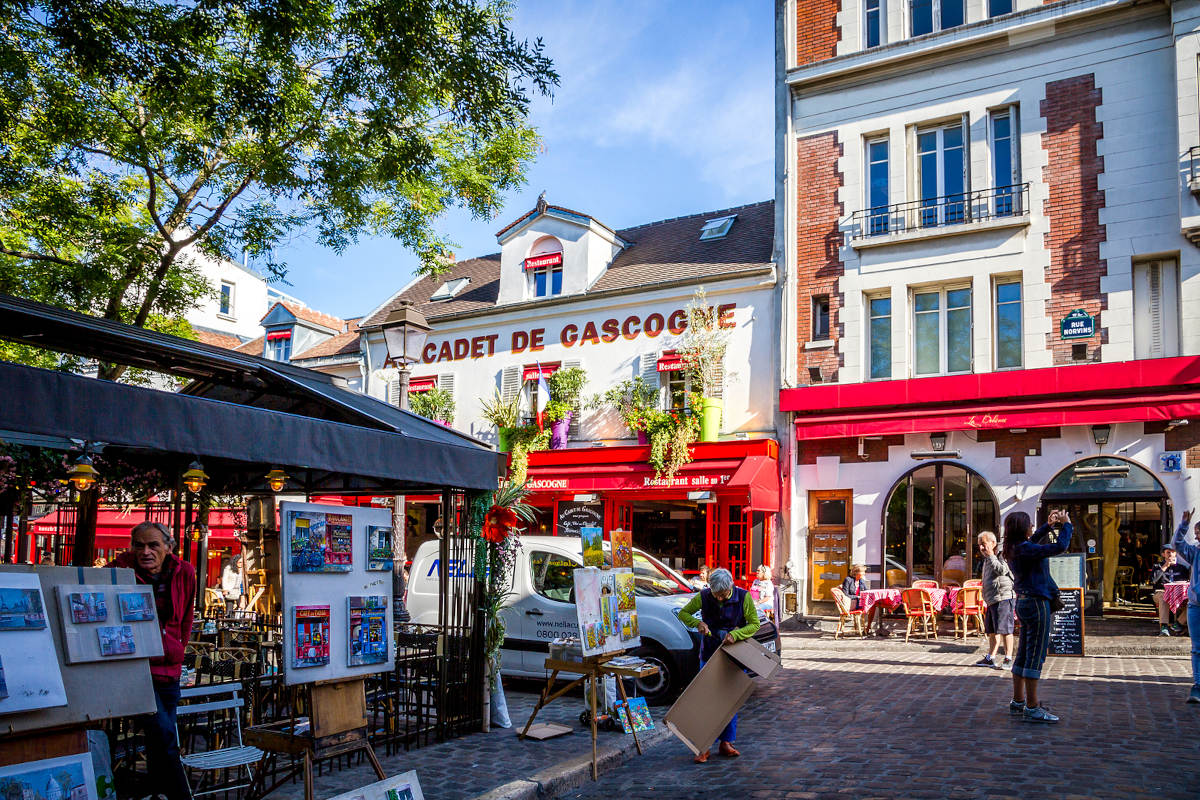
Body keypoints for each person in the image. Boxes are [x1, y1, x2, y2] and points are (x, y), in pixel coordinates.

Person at [107, 522, 196, 800]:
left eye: (153, 545)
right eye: (139, 545)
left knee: (161, 741)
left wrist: (179, 647)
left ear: (168, 547)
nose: (145, 551)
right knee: (166, 735)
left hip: (169, 666)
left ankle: (158, 794)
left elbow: (186, 617)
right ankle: (182, 796)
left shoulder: (185, 572)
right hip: (137, 667)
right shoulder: (118, 572)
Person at [676, 567, 760, 763]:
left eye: (723, 595)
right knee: (708, 699)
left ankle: (726, 742)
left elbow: (754, 624)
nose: (720, 599)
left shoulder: (743, 596)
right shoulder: (704, 596)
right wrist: (698, 624)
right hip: (710, 651)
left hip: (734, 653)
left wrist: (736, 635)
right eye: (716, 595)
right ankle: (703, 746)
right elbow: (684, 613)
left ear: (730, 587)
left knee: (730, 700)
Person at [1002, 508, 1072, 724]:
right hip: (1037, 602)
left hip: (1023, 601)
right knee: (1035, 654)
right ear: (1023, 528)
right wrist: (1067, 525)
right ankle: (1032, 706)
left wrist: (1049, 526)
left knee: (1023, 652)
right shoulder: (1025, 549)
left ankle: (1017, 700)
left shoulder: (1015, 548)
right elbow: (1060, 546)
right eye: (1030, 524)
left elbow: (1033, 539)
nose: (1032, 527)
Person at [975, 531, 1015, 669]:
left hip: (1003, 597)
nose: (981, 548)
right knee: (992, 630)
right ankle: (991, 658)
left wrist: (991, 555)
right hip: (992, 599)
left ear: (993, 543)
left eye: (983, 544)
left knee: (1006, 630)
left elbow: (1002, 570)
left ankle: (1008, 659)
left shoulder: (1001, 555)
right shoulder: (987, 558)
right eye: (979, 545)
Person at [1172, 510, 1200, 704]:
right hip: (1195, 606)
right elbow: (1177, 544)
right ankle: (1198, 686)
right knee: (1197, 648)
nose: (1197, 537)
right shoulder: (1195, 552)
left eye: (1199, 534)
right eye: (1196, 534)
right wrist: (1184, 525)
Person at [1151, 544, 1189, 636]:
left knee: (1193, 601)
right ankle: (1164, 626)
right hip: (1161, 592)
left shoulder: (1181, 568)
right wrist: (1165, 566)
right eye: (1168, 552)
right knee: (1164, 597)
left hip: (1178, 594)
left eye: (1173, 552)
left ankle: (1178, 623)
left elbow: (1187, 581)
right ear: (1163, 554)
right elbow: (1154, 580)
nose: (1171, 555)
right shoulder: (1157, 566)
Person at [840, 564, 880, 631]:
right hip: (850, 603)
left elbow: (866, 591)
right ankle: (864, 627)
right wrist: (857, 597)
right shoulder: (848, 580)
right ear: (856, 572)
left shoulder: (861, 581)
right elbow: (845, 594)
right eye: (863, 572)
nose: (864, 573)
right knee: (871, 605)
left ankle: (868, 627)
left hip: (859, 602)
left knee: (874, 604)